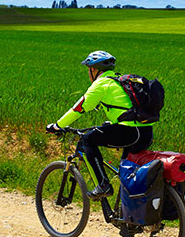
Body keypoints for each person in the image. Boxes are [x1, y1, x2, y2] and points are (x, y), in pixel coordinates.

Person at [46, 50, 154, 199]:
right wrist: (112, 122)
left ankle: (103, 184)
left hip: (129, 132)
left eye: (88, 70)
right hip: (146, 132)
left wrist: (57, 125)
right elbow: (126, 108)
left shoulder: (101, 83)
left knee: (87, 140)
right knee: (126, 172)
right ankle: (126, 216)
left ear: (94, 69)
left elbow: (79, 108)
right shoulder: (120, 80)